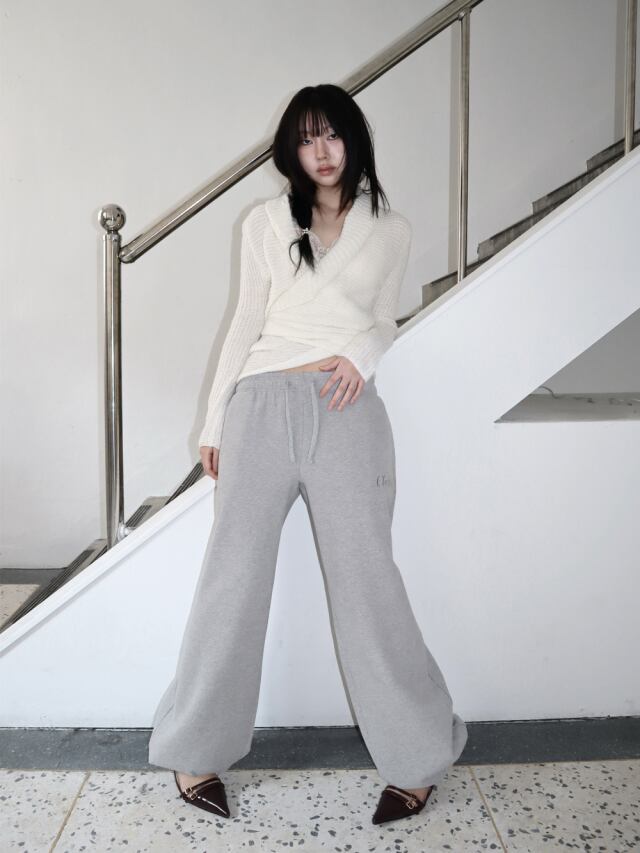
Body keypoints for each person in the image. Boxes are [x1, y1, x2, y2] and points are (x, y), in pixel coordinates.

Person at [147, 83, 468, 826]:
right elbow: (245, 320)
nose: (321, 151)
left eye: (332, 135)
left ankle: (417, 755)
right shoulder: (265, 221)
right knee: (232, 580)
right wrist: (214, 421)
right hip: (260, 405)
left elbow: (383, 319)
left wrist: (362, 354)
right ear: (291, 151)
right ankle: (196, 750)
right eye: (306, 138)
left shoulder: (390, 229)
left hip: (345, 407)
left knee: (368, 583)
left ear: (354, 139)